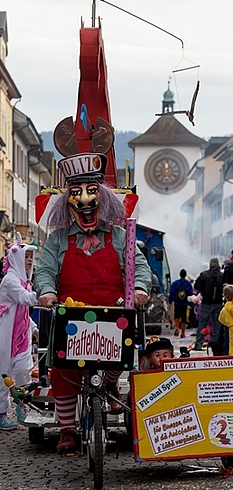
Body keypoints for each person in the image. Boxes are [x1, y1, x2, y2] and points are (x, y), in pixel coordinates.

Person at [34, 151, 152, 454]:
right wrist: (47, 292)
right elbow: (45, 269)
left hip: (113, 312)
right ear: (67, 202)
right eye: (76, 195)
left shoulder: (121, 235)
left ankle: (111, 382)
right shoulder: (58, 238)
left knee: (120, 355)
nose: (85, 204)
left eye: (92, 195)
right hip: (71, 315)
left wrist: (139, 288)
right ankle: (68, 430)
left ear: (105, 200)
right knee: (62, 367)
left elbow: (138, 266)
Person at [0, 234, 38, 430]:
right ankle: (1, 412)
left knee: (24, 371)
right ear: (15, 259)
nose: (30, 261)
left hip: (21, 337)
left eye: (31, 257)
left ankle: (22, 404)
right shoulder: (10, 281)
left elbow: (23, 314)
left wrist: (34, 328)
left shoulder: (25, 282)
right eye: (26, 257)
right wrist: (45, 294)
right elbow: (24, 299)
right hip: (5, 337)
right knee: (2, 375)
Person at [193, 258, 223, 350]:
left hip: (206, 303)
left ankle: (198, 344)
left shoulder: (204, 274)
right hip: (218, 302)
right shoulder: (222, 275)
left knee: (202, 323)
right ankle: (216, 344)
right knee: (217, 324)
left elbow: (196, 286)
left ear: (210, 265)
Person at [169, 269, 193, 338]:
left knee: (176, 315)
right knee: (183, 317)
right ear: (185, 275)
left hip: (177, 302)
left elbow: (172, 292)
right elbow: (190, 294)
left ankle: (177, 328)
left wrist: (171, 300)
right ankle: (183, 332)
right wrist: (190, 304)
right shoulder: (188, 284)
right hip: (184, 303)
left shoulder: (175, 283)